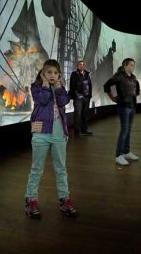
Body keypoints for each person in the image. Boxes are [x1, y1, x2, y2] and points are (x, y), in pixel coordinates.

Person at [24, 59, 77, 219]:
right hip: (41, 132)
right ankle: (31, 200)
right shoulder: (37, 87)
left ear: (59, 74)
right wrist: (46, 86)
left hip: (59, 133)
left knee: (61, 168)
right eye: (49, 72)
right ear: (43, 73)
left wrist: (59, 88)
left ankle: (65, 199)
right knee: (36, 169)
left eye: (55, 72)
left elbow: (64, 101)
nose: (52, 75)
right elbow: (41, 100)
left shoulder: (60, 88)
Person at [103, 58, 140, 166]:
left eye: (134, 65)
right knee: (124, 130)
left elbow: (136, 89)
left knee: (129, 129)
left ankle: (126, 152)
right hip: (123, 107)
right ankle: (118, 155)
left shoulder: (133, 77)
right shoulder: (119, 76)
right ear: (125, 65)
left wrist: (134, 94)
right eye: (131, 65)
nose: (133, 67)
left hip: (132, 106)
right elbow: (106, 85)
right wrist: (112, 98)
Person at [69, 60, 93, 138]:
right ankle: (77, 132)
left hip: (86, 97)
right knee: (78, 114)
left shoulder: (87, 74)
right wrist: (77, 95)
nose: (81, 66)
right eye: (80, 64)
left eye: (83, 64)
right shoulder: (74, 74)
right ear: (77, 66)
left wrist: (89, 95)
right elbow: (72, 86)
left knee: (85, 114)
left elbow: (89, 85)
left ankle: (84, 130)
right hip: (78, 97)